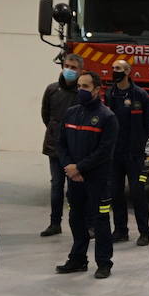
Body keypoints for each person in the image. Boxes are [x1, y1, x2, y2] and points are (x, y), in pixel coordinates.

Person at [55, 71, 117, 278]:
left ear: (97, 89)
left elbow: (104, 152)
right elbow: (61, 144)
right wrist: (69, 168)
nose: (81, 90)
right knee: (76, 218)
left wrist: (79, 168)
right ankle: (78, 259)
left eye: (86, 87)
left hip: (97, 179)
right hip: (74, 178)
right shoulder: (71, 113)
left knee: (100, 220)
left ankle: (104, 263)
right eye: (79, 86)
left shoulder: (107, 117)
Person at [104, 58, 149, 245]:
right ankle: (120, 230)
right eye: (113, 68)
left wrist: (139, 142)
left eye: (118, 68)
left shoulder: (140, 95)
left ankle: (144, 231)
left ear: (128, 71)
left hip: (134, 154)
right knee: (116, 192)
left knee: (137, 193)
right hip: (114, 154)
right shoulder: (110, 93)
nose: (114, 71)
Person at [40, 53, 82, 236]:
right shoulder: (51, 90)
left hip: (77, 149)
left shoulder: (83, 93)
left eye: (74, 68)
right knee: (56, 186)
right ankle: (55, 224)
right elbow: (46, 115)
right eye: (67, 66)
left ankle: (84, 224)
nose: (69, 70)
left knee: (78, 188)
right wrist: (55, 131)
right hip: (54, 147)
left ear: (81, 70)